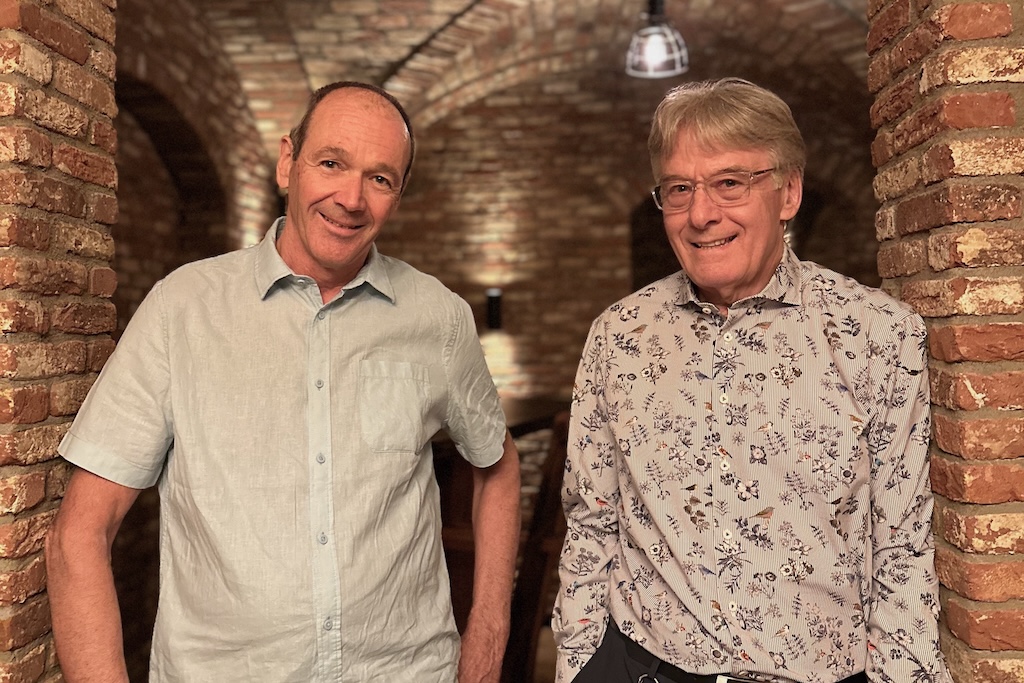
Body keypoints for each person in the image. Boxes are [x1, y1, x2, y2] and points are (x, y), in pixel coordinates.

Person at [45, 81, 521, 683]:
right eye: (331, 163)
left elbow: (497, 465)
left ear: (398, 196)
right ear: (287, 162)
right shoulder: (180, 310)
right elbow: (78, 535)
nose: (351, 199)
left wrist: (488, 633)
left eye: (380, 178)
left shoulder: (439, 318)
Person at [552, 78, 952, 683]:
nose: (701, 214)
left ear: (788, 192)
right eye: (679, 189)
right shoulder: (619, 335)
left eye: (730, 183)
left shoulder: (877, 335)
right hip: (641, 667)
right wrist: (578, 665)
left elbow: (903, 550)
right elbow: (591, 522)